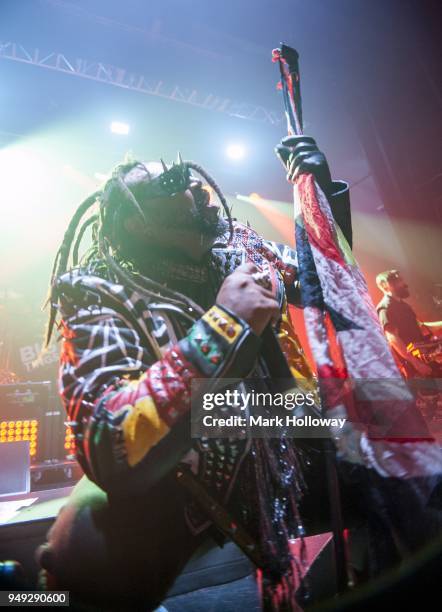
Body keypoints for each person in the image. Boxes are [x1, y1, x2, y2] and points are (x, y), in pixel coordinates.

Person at [37, 136, 354, 611]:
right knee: (81, 552)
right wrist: (225, 325)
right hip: (184, 471)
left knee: (405, 464)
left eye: (187, 175)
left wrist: (323, 197)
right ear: (134, 221)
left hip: (284, 420)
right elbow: (110, 442)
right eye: (167, 183)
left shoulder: (239, 243)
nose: (192, 188)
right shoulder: (97, 290)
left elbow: (330, 283)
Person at [376, 270, 442, 378]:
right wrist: (416, 364)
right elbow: (393, 339)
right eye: (398, 281)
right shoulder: (385, 308)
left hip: (425, 359)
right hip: (414, 366)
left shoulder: (404, 306)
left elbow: (421, 327)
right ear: (385, 286)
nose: (404, 284)